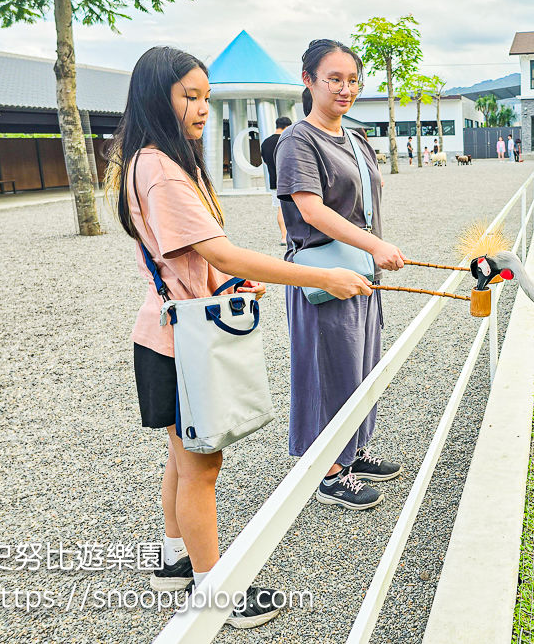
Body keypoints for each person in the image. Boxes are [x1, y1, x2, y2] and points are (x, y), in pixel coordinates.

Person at [105, 46, 372, 628]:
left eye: (205, 95)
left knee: (182, 454)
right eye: (190, 97)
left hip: (166, 329)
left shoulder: (152, 161)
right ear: (158, 98)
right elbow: (218, 250)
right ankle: (215, 589)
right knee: (204, 464)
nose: (203, 108)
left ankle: (176, 556)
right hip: (183, 341)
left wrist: (231, 281)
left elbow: (203, 261)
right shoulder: (161, 166)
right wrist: (319, 275)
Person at [276, 38, 405, 511]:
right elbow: (307, 211)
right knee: (326, 370)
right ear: (308, 80)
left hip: (360, 271)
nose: (345, 88)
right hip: (324, 276)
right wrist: (373, 244)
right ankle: (327, 471)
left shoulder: (355, 137)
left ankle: (351, 451)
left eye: (352, 79)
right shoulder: (298, 141)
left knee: (359, 367)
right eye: (334, 78)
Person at [260, 116, 293, 245]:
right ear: (287, 127)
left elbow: (265, 162)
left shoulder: (265, 143)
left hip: (274, 181)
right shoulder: (287, 140)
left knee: (280, 208)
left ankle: (283, 237)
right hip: (290, 179)